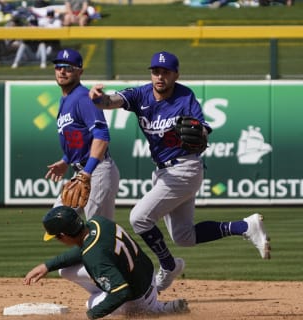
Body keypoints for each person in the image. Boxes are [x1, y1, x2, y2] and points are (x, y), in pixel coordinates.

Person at [88, 51, 271, 293]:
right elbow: (111, 102)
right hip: (164, 172)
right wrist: (97, 99)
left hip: (185, 168)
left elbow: (202, 129)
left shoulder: (185, 96)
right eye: (156, 71)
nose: (160, 77)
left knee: (139, 218)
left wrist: (200, 133)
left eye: (165, 72)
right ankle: (245, 227)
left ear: (176, 75)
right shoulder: (140, 94)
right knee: (184, 236)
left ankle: (168, 265)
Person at [24, 206, 190, 319]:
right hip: (148, 278)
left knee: (91, 304)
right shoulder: (97, 222)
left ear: (64, 235)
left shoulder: (94, 256)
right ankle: (157, 306)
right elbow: (87, 249)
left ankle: (157, 310)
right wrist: (47, 266)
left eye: (56, 237)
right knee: (64, 270)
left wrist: (91, 315)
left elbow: (121, 293)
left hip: (136, 300)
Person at [45, 48, 119, 221]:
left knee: (101, 233)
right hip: (81, 172)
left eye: (68, 67)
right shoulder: (66, 99)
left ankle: (127, 249)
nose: (62, 71)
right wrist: (66, 160)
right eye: (58, 66)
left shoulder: (83, 98)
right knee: (57, 221)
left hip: (96, 171)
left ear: (80, 72)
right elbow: (79, 138)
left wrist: (87, 172)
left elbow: (102, 136)